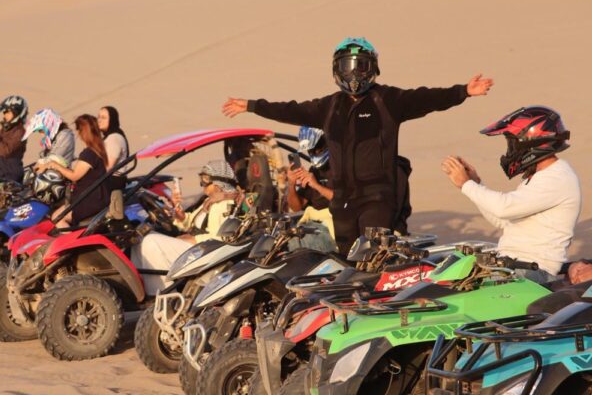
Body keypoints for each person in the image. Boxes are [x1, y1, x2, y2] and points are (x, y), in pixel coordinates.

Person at [222, 37, 494, 253]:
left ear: (372, 68)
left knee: (373, 258)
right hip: (342, 201)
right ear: (336, 70)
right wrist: (252, 106)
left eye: (360, 66)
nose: (353, 73)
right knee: (347, 261)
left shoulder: (387, 100)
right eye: (346, 66)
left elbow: (426, 98)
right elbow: (291, 110)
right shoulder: (329, 107)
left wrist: (463, 92)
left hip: (377, 199)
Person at [441, 106, 581, 284]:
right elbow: (505, 221)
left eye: (513, 143)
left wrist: (467, 185)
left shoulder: (557, 178)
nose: (510, 150)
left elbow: (504, 208)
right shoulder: (539, 176)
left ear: (532, 142)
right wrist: (475, 184)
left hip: (532, 273)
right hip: (512, 266)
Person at [131, 160, 240, 294]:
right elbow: (191, 222)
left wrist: (191, 240)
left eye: (206, 180)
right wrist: (180, 216)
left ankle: (162, 294)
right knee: (139, 241)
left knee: (151, 242)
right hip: (196, 248)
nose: (202, 184)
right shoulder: (209, 200)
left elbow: (220, 238)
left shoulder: (225, 204)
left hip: (205, 253)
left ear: (218, 183)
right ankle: (140, 292)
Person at [41, 114, 111, 228]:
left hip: (90, 200)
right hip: (95, 197)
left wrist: (55, 165)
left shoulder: (89, 153)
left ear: (83, 132)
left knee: (57, 218)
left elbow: (74, 176)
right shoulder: (98, 150)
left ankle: (71, 244)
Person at [98, 105, 130, 190]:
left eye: (104, 118)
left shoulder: (114, 138)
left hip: (113, 181)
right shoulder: (109, 136)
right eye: (99, 117)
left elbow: (108, 167)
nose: (99, 120)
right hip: (109, 179)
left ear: (112, 120)